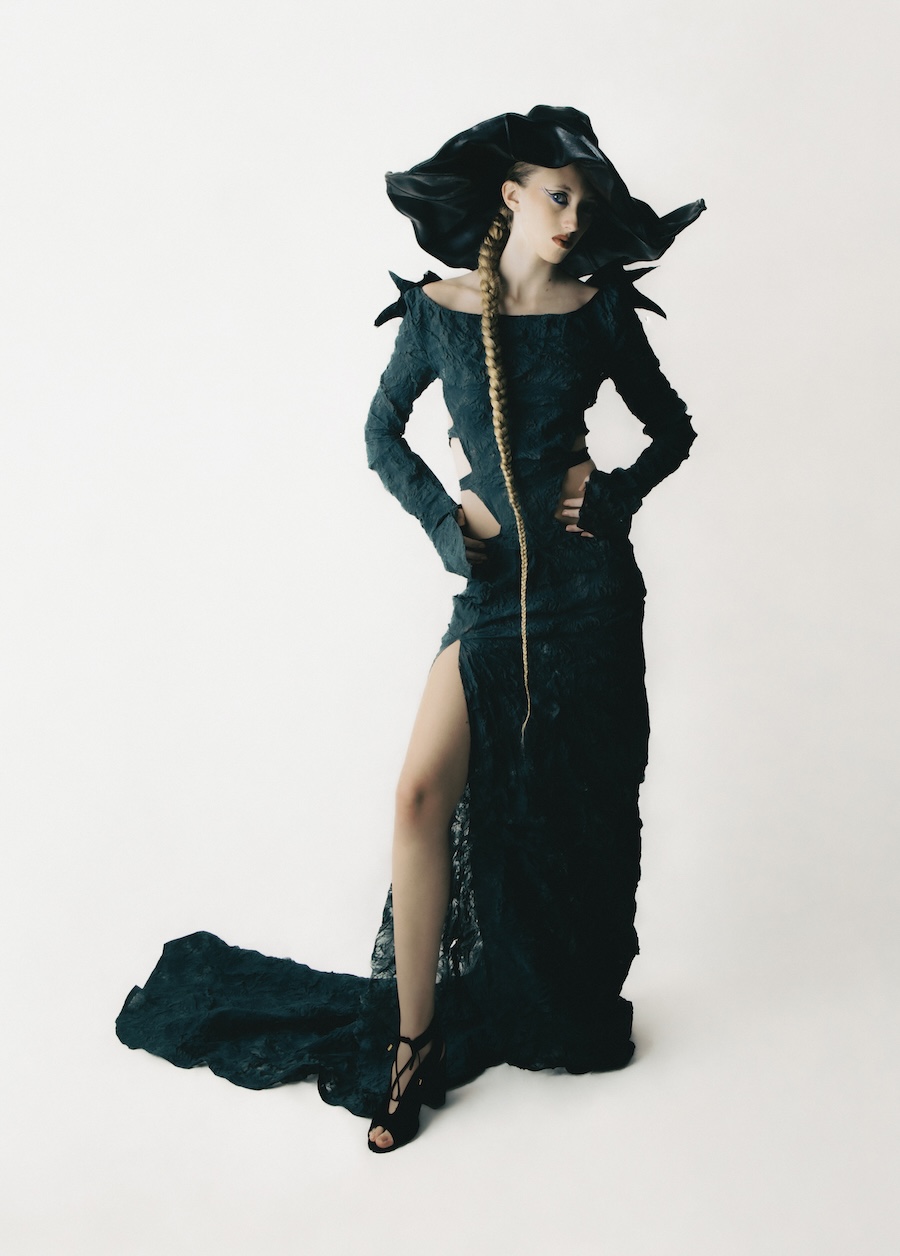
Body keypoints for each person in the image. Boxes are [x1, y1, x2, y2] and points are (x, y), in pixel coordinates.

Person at [115, 105, 704, 1155]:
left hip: (589, 600)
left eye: (585, 201)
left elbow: (674, 428)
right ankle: (410, 1045)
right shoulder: (438, 312)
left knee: (576, 806)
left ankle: (564, 1000)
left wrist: (613, 496)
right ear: (511, 194)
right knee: (420, 793)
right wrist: (443, 522)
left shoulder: (599, 309)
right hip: (492, 595)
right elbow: (381, 434)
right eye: (557, 195)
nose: (573, 218)